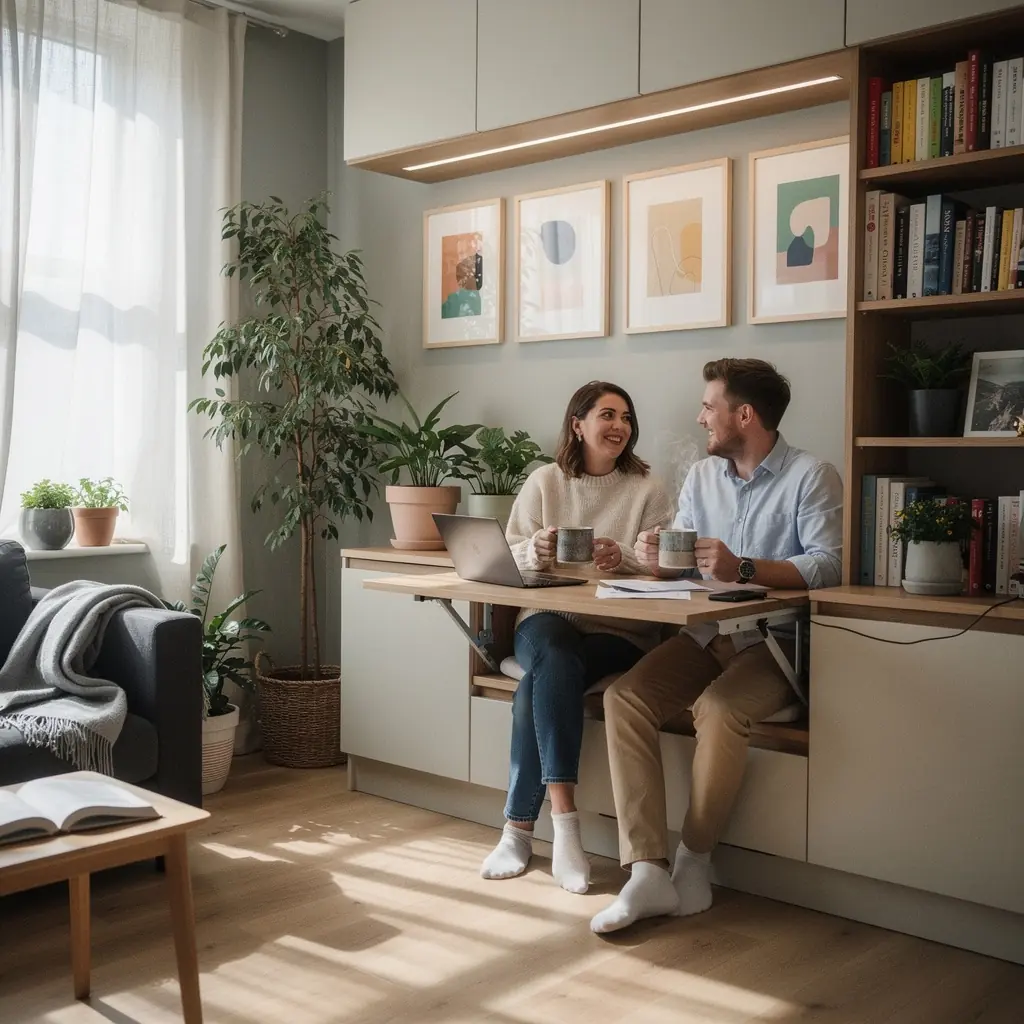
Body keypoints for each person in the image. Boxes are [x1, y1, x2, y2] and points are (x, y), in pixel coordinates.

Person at [590, 358, 843, 933]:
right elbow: (687, 565)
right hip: (705, 635)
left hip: (775, 645)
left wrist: (744, 566)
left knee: (720, 708)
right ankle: (647, 871)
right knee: (625, 697)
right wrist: (657, 559)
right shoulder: (703, 478)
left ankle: (694, 860)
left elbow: (829, 566)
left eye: (709, 406)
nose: (700, 417)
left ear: (744, 414)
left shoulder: (813, 475)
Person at [481, 381, 674, 894]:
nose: (619, 427)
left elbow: (666, 566)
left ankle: (520, 829)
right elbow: (510, 554)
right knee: (554, 656)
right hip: (546, 618)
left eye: (627, 418)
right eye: (607, 414)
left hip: (620, 630)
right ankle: (565, 827)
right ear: (577, 424)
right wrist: (536, 553)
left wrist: (626, 559)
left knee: (539, 681)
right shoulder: (545, 482)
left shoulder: (648, 489)